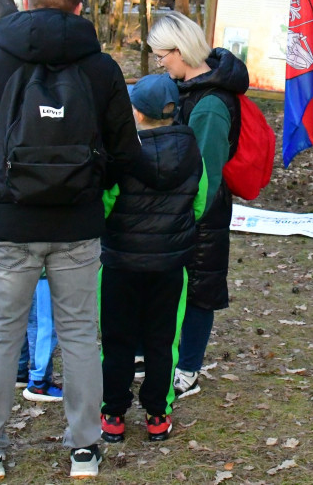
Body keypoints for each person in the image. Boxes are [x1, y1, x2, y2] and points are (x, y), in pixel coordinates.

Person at [0, 0, 139, 480]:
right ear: (79, 8)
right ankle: (85, 451)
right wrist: (91, 187)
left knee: (2, 335)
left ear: (25, 3)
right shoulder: (102, 69)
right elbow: (125, 150)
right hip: (77, 224)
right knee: (79, 335)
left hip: (10, 223)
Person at [99, 74, 207, 444]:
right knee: (163, 342)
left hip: (119, 264)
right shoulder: (193, 150)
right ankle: (158, 415)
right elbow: (199, 202)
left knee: (116, 340)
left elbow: (106, 202)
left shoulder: (122, 153)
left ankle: (113, 413)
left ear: (137, 113)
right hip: (169, 267)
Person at [146, 12, 249, 400]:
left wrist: (184, 216)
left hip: (200, 215)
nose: (159, 63)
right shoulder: (190, 89)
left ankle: (187, 368)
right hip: (182, 209)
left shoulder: (209, 105)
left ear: (181, 50)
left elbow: (205, 173)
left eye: (162, 55)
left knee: (198, 291)